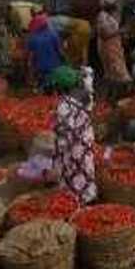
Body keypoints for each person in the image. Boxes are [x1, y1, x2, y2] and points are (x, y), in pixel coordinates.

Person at [49, 65, 98, 203]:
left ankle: (77, 202)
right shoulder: (87, 96)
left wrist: (57, 151)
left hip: (73, 145)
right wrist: (83, 71)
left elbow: (65, 132)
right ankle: (90, 196)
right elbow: (89, 72)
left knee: (72, 172)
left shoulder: (64, 107)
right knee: (87, 168)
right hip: (85, 139)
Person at [96, 0, 131, 97]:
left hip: (113, 46)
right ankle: (117, 95)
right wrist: (120, 31)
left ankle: (113, 94)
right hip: (109, 47)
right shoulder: (103, 17)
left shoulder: (108, 16)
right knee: (117, 72)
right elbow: (105, 34)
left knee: (113, 72)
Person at [26, 11, 65, 86]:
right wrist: (65, 61)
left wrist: (30, 72)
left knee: (42, 87)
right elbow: (60, 51)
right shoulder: (54, 35)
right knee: (55, 87)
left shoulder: (33, 38)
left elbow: (30, 57)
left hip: (40, 68)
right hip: (55, 67)